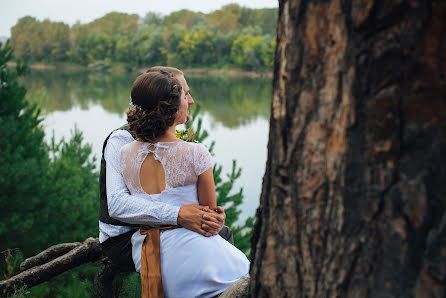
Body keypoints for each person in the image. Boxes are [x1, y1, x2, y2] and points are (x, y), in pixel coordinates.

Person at [121, 71, 249, 297]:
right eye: (184, 96)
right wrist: (216, 217)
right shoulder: (195, 152)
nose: (189, 101)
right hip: (192, 258)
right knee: (248, 274)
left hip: (147, 254)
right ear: (172, 107)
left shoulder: (125, 153)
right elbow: (209, 216)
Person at [98, 66, 233, 272]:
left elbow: (173, 193)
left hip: (162, 228)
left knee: (220, 231)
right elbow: (117, 205)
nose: (190, 100)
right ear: (165, 100)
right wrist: (179, 215)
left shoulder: (170, 136)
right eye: (184, 93)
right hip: (124, 238)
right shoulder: (122, 140)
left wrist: (209, 217)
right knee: (221, 241)